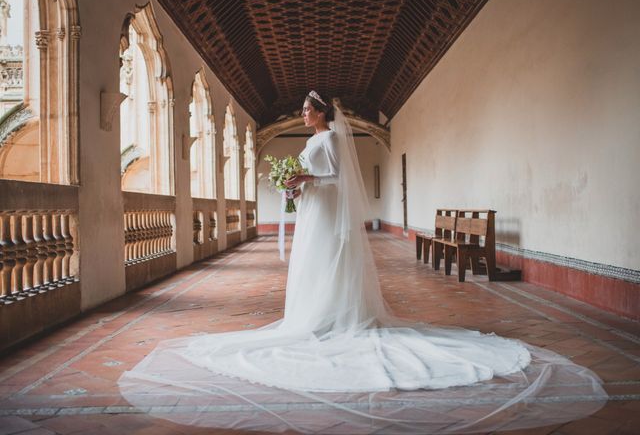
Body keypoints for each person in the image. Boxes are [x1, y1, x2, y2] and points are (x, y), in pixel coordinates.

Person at [118, 91, 606, 434]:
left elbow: (334, 183)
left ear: (319, 112)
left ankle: (329, 318)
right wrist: (298, 183)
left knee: (325, 265)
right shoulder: (320, 139)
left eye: (305, 108)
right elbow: (319, 180)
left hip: (324, 212)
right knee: (312, 267)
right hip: (314, 213)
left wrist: (303, 182)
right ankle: (314, 315)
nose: (301, 112)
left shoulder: (328, 140)